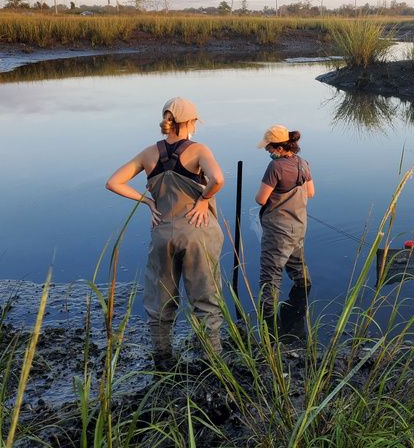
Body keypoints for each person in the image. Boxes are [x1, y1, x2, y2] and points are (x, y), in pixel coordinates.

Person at [106, 97, 225, 367]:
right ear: (191, 122)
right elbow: (217, 179)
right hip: (198, 233)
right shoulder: (198, 150)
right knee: (205, 299)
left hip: (162, 234)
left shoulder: (149, 153)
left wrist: (147, 201)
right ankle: (213, 363)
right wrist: (204, 200)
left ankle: (162, 360)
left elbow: (113, 182)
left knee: (159, 302)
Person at [254, 125, 315, 321]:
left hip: (278, 231)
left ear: (279, 147)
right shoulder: (303, 163)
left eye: (269, 148)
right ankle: (303, 296)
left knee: (270, 275)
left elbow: (261, 199)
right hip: (299, 226)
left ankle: (269, 321)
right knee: (298, 265)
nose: (267, 151)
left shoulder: (275, 167)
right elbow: (311, 192)